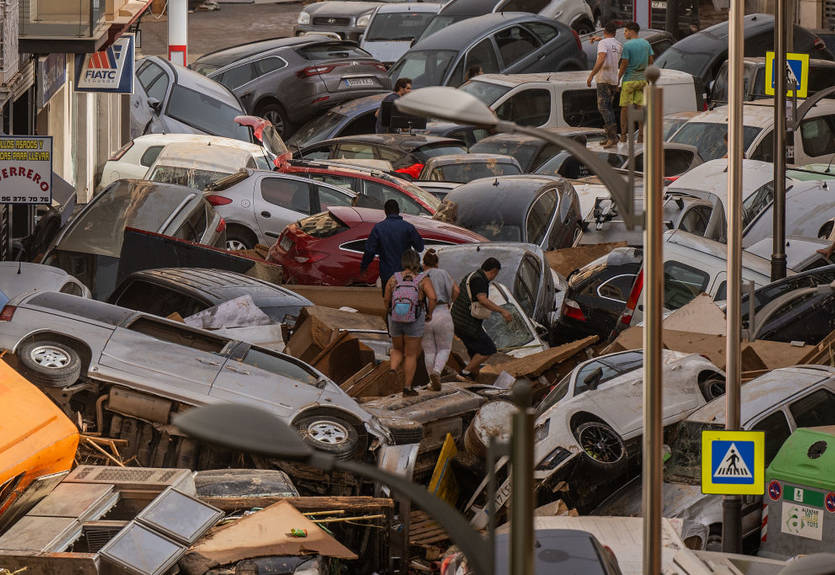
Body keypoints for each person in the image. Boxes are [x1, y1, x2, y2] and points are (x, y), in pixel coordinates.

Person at [384, 249, 437, 396]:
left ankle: (393, 368)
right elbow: (433, 298)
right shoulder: (422, 279)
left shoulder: (393, 278)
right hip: (414, 319)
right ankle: (407, 388)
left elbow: (386, 299)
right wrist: (429, 313)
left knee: (397, 349)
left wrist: (390, 312)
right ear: (416, 262)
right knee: (411, 354)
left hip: (395, 318)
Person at [450, 258, 513, 380]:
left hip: (457, 321)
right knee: (488, 349)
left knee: (474, 351)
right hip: (466, 323)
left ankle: (473, 376)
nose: (494, 277)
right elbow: (483, 300)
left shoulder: (472, 275)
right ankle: (465, 373)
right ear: (493, 271)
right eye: (496, 274)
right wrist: (502, 311)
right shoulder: (479, 281)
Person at [361, 199, 424, 295]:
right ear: (398, 211)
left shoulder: (378, 228)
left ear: (385, 211)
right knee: (406, 300)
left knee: (388, 300)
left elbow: (370, 250)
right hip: (406, 273)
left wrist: (364, 266)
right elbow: (420, 247)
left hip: (387, 273)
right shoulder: (408, 227)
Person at [420, 249, 460, 391]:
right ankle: (436, 372)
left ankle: (431, 380)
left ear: (423, 263)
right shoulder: (444, 273)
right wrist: (451, 302)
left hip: (425, 315)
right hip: (442, 311)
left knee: (429, 351)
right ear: (437, 262)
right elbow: (456, 290)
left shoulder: (421, 276)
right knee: (444, 348)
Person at [587, 22, 622, 148]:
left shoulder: (603, 43)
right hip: (613, 80)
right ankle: (612, 137)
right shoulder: (618, 44)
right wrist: (599, 39)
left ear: (604, 31)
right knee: (609, 108)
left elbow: (602, 58)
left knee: (603, 108)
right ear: (615, 33)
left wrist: (591, 75)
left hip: (603, 79)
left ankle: (612, 137)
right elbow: (610, 45)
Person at [618, 21, 654, 143]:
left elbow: (624, 64)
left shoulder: (627, 46)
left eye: (625, 31)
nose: (624, 34)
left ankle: (623, 135)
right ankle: (641, 136)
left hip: (629, 81)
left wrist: (618, 78)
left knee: (624, 109)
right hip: (642, 80)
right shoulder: (646, 43)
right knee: (640, 108)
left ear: (631, 31)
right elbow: (651, 61)